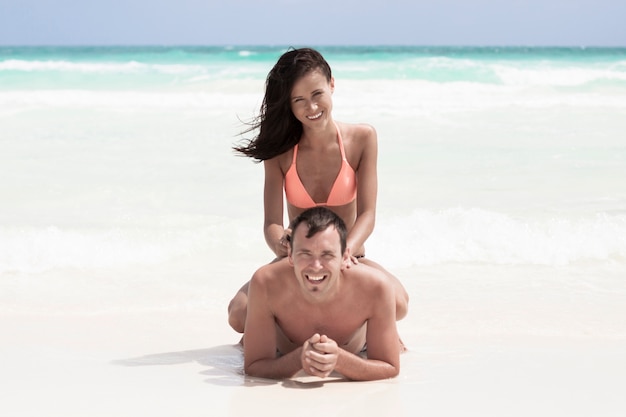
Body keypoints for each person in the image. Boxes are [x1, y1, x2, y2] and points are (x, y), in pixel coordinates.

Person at [228, 47, 408, 333]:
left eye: (317, 94)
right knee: (238, 314)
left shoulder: (362, 139)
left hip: (350, 258)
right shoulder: (280, 152)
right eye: (299, 100)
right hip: (297, 260)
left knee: (399, 304)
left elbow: (368, 215)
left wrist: (344, 252)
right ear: (288, 104)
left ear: (332, 85)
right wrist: (282, 245)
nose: (311, 108)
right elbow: (272, 223)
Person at [243, 207, 401, 381]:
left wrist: (340, 360)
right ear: (290, 255)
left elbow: (390, 367)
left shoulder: (376, 287)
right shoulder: (266, 283)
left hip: (358, 347)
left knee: (400, 304)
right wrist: (297, 360)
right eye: (305, 253)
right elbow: (253, 367)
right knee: (237, 314)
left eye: (327, 255)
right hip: (283, 349)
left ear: (345, 256)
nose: (316, 266)